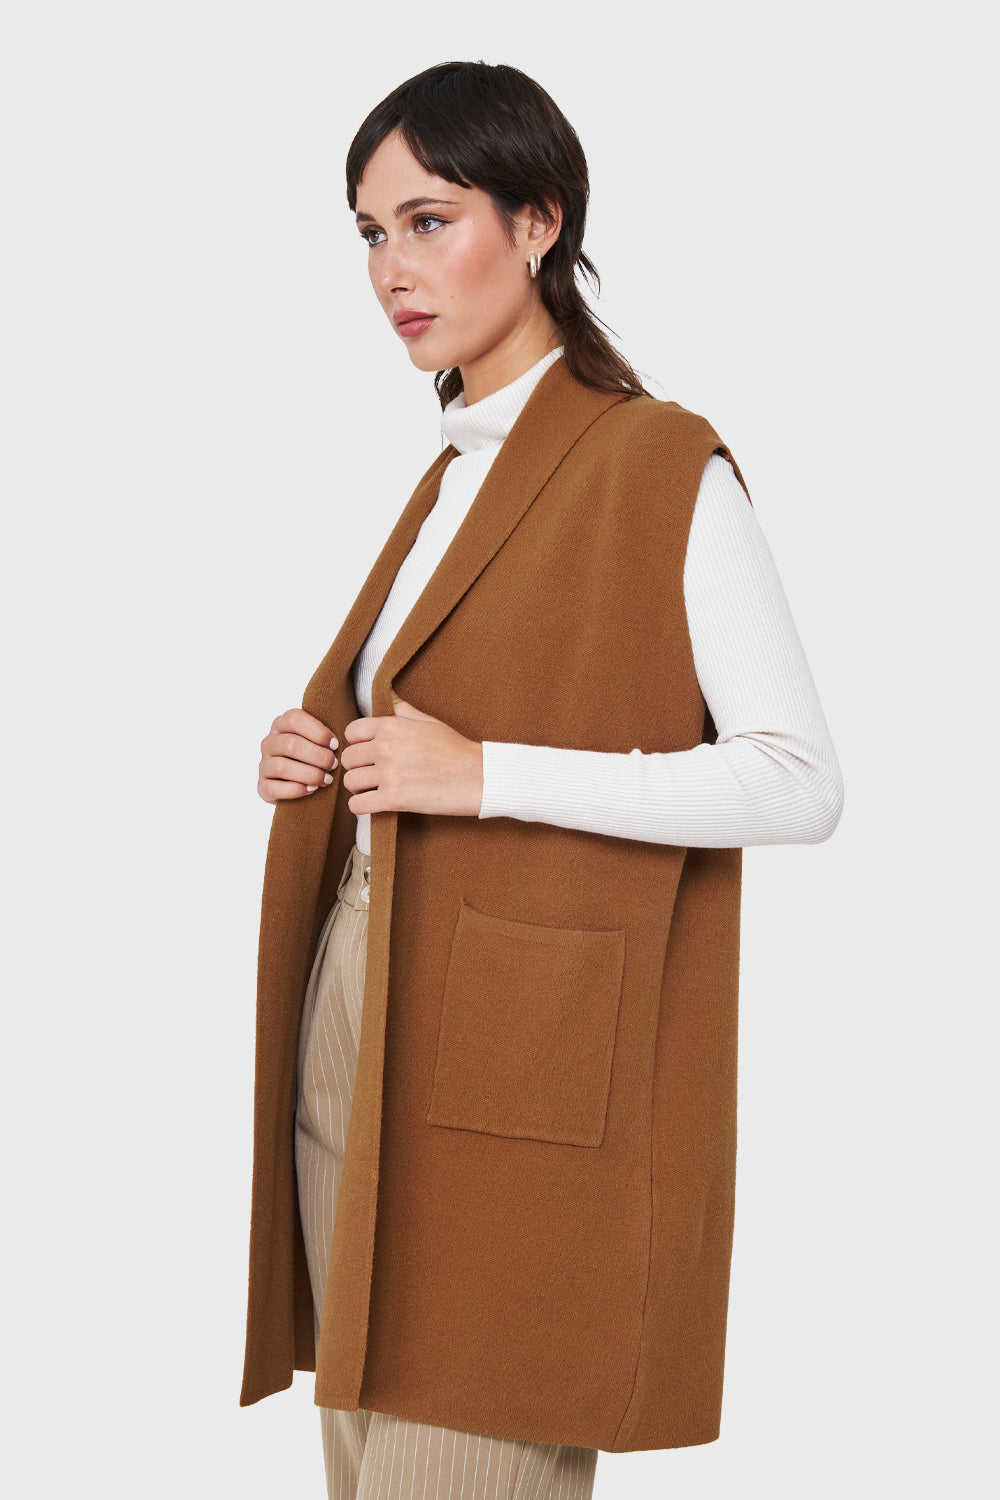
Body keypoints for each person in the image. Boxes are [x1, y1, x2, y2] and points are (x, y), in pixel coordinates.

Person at [243, 60, 844, 1500]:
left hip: (517, 1048)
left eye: (429, 220)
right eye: (370, 232)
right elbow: (424, 724)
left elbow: (796, 781)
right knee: (364, 1462)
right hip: (358, 996)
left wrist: (485, 774)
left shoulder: (659, 461)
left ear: (538, 223)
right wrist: (320, 752)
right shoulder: (453, 469)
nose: (391, 269)